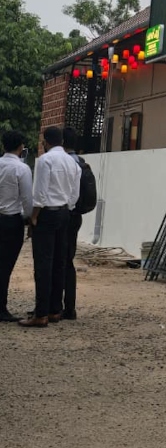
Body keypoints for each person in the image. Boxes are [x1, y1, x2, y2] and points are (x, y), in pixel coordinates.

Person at [19, 126, 81, 328]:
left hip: (47, 214)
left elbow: (40, 194)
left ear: (45, 142)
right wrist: (67, 208)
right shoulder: (73, 163)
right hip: (65, 213)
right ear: (61, 141)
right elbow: (74, 195)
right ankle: (55, 310)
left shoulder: (45, 160)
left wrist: (34, 217)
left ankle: (41, 313)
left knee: (43, 264)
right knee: (59, 262)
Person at [0, 131, 33, 322]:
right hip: (11, 221)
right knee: (5, 265)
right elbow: (27, 199)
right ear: (21, 147)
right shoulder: (22, 169)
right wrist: (30, 218)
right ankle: (1, 307)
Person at [60, 126, 85, 320]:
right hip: (76, 216)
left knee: (58, 260)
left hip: (64, 215)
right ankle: (70, 307)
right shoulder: (81, 162)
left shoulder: (65, 162)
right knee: (68, 260)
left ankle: (56, 306)